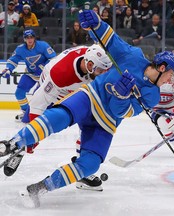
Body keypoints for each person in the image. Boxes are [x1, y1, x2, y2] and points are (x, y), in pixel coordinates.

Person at [0, 9, 174, 208]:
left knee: (91, 163)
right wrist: (96, 24)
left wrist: (121, 95)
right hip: (91, 97)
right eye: (172, 74)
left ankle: (40, 188)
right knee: (59, 116)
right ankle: (11, 143)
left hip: (107, 121)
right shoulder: (134, 56)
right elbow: (111, 40)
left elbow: (121, 111)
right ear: (162, 67)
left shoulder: (152, 95)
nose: (171, 80)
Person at [3, 44, 112, 192]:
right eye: (100, 71)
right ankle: (20, 149)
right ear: (90, 65)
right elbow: (38, 103)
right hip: (55, 90)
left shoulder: (95, 57)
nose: (103, 74)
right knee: (35, 126)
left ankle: (82, 171)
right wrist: (31, 136)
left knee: (90, 124)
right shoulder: (60, 74)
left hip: (79, 90)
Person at [0, 29, 56, 121]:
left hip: (45, 76)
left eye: (31, 37)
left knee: (37, 96)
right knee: (19, 93)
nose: (29, 39)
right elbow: (13, 60)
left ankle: (42, 113)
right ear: (24, 39)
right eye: (27, 38)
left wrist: (42, 67)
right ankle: (26, 112)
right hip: (31, 74)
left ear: (34, 38)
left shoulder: (43, 46)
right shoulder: (20, 49)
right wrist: (8, 69)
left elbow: (53, 58)